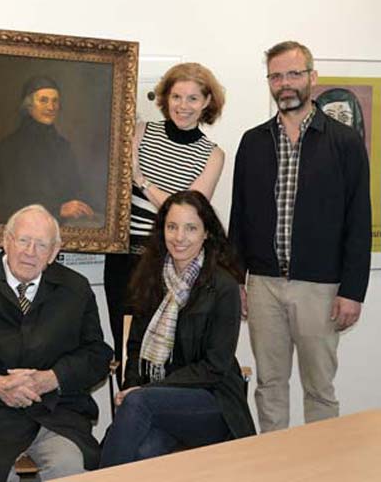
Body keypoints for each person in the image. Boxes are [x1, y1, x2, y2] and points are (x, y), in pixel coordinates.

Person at [229, 40, 371, 432]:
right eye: (276, 76)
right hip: (263, 285)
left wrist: (353, 290)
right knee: (269, 385)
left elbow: (359, 219)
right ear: (269, 83)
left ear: (312, 77)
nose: (285, 83)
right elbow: (238, 216)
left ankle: (320, 469)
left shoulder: (344, 142)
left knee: (319, 389)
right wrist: (235, 279)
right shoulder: (253, 142)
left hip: (321, 288)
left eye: (293, 74)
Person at [0, 204, 113, 482]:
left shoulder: (76, 289)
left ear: (53, 253)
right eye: (24, 240)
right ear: (6, 241)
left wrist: (52, 378)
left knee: (71, 467)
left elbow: (97, 354)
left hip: (57, 412)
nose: (30, 252)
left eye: (41, 245)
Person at [100, 190, 255, 467]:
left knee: (138, 405)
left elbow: (215, 366)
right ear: (162, 231)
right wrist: (134, 384)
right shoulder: (150, 276)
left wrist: (147, 391)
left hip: (212, 402)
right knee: (143, 452)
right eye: (172, 227)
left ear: (207, 232)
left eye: (190, 228)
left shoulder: (223, 286)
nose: (179, 237)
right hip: (157, 403)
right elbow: (134, 346)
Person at [103, 62, 226, 383]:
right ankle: (129, 409)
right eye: (177, 97)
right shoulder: (141, 132)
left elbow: (187, 210)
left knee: (169, 351)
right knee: (127, 349)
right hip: (124, 259)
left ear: (207, 103)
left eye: (193, 98)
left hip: (171, 263)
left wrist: (143, 182)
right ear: (165, 98)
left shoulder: (213, 155)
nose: (183, 106)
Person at [0, 76, 96, 223]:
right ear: (29, 105)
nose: (51, 107)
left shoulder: (63, 146)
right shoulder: (9, 148)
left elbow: (76, 188)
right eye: (43, 100)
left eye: (55, 101)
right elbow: (11, 202)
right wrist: (58, 209)